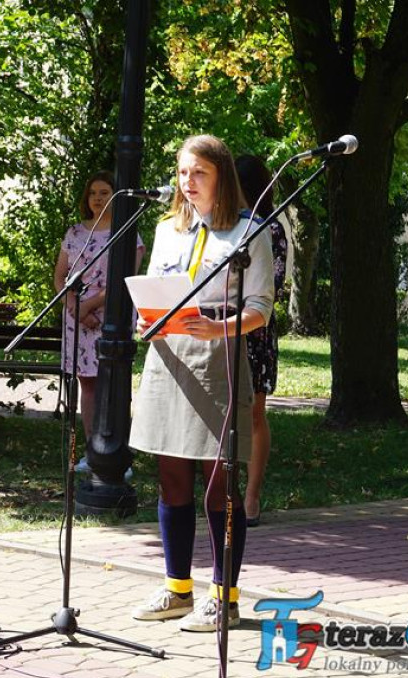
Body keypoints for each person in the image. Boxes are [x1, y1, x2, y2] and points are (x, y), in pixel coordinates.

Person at [128, 135, 274, 632]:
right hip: (167, 356)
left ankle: (224, 598)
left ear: (222, 178)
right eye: (183, 172)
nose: (187, 182)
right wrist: (144, 319)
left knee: (218, 483)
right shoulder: (167, 229)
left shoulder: (250, 231)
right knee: (171, 476)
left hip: (218, 358)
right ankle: (177, 590)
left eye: (199, 173)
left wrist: (219, 328)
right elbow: (152, 286)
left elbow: (261, 308)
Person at [53, 171, 144, 472]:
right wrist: (74, 306)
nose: (98, 198)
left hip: (111, 313)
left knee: (114, 383)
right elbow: (59, 276)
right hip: (76, 316)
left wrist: (89, 306)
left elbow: (125, 277)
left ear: (116, 196)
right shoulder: (75, 232)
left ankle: (118, 451)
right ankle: (93, 450)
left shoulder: (127, 233)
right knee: (88, 384)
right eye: (93, 193)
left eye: (105, 192)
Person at [235, 154, 290, 527]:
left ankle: (251, 498)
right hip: (216, 331)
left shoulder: (269, 229)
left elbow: (274, 284)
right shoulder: (217, 226)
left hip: (254, 331)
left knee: (254, 414)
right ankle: (220, 494)